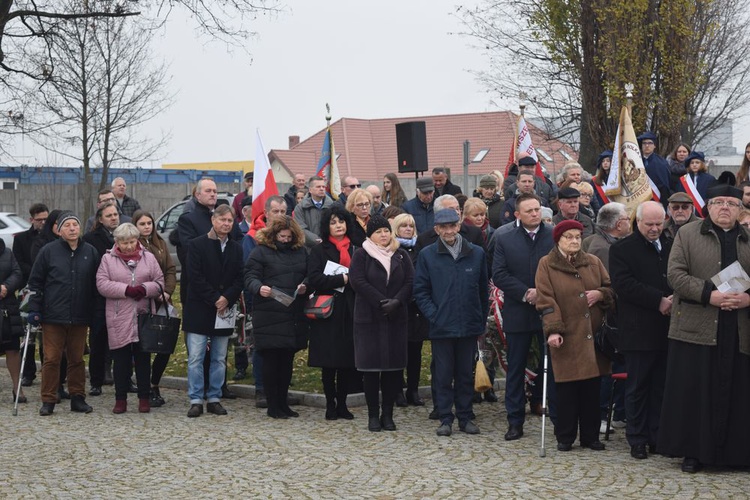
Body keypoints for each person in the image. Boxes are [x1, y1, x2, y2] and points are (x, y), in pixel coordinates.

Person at [659, 185, 750, 473]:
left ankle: (740, 454)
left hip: (739, 328)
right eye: (719, 202)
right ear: (708, 206)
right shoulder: (687, 234)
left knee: (738, 392)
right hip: (697, 325)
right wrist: (708, 294)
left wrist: (748, 297)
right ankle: (693, 453)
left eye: (732, 203)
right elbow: (675, 274)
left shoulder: (748, 238)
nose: (725, 207)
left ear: (740, 209)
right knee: (695, 392)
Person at [535, 219, 615, 452]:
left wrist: (600, 294)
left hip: (593, 335)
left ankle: (590, 437)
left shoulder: (593, 261)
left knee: (592, 388)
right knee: (567, 389)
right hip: (566, 334)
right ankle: (565, 436)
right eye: (568, 237)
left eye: (577, 237)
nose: (574, 241)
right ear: (558, 239)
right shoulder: (547, 264)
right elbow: (546, 300)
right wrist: (553, 330)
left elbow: (610, 288)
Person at [414, 209, 488, 437]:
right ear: (436, 229)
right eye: (443, 227)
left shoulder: (476, 253)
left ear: (458, 226)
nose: (448, 231)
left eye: (452, 226)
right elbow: (420, 291)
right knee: (443, 375)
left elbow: (483, 290)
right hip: (441, 326)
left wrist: (480, 318)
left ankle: (465, 417)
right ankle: (445, 417)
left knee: (465, 374)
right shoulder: (427, 255)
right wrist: (435, 316)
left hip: (468, 325)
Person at [609, 201, 673, 460]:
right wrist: (659, 300)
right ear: (638, 222)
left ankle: (656, 436)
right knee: (637, 387)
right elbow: (624, 285)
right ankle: (637, 438)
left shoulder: (670, 245)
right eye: (650, 224)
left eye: (659, 224)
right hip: (638, 330)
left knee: (661, 386)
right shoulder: (622, 249)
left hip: (667, 329)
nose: (655, 229)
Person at [493, 193, 557, 440]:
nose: (534, 213)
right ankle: (515, 420)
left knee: (551, 365)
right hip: (518, 310)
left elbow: (564, 268)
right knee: (516, 367)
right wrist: (525, 293)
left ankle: (557, 416)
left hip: (549, 309)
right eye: (529, 210)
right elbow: (499, 273)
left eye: (537, 209)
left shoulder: (553, 235)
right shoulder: (504, 238)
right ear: (517, 215)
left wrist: (543, 292)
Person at [27, 213, 99, 416]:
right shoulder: (48, 251)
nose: (72, 228)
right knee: (52, 359)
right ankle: (48, 399)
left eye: (75, 224)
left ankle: (78, 397)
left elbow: (96, 284)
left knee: (76, 358)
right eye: (67, 225)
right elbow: (36, 282)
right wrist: (34, 308)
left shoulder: (90, 252)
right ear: (59, 230)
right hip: (53, 315)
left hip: (80, 315)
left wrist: (96, 311)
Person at [349, 215, 413, 432]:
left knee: (393, 369)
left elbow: (410, 281)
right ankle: (373, 415)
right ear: (371, 235)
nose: (384, 235)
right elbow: (357, 281)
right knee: (371, 369)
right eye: (379, 232)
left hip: (396, 317)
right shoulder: (361, 255)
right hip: (369, 318)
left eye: (386, 230)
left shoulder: (401, 255)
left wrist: (396, 301)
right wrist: (380, 301)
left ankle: (388, 414)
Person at [96, 223, 164, 414]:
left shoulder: (148, 257)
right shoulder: (107, 259)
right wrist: (126, 290)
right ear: (117, 242)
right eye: (124, 242)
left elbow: (159, 282)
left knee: (143, 360)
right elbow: (102, 284)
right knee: (121, 361)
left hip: (143, 317)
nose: (128, 246)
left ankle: (144, 397)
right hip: (119, 316)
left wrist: (144, 289)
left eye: (132, 242)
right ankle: (120, 399)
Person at [183, 205, 244, 418]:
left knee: (219, 357)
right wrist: (214, 298)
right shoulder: (197, 245)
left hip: (224, 309)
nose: (226, 224)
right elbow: (194, 276)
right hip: (200, 307)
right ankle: (196, 399)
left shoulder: (236, 248)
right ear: (213, 220)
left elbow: (239, 278)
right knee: (196, 357)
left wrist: (227, 297)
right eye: (222, 220)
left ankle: (215, 397)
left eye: (230, 220)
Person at [245, 216, 308, 419]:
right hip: (269, 312)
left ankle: (283, 402)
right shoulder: (260, 252)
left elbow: (309, 273)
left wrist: (305, 285)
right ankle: (273, 405)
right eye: (282, 236)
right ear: (274, 235)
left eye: (289, 236)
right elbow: (249, 276)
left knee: (287, 361)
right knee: (272, 361)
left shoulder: (300, 252)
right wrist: (258, 287)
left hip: (292, 312)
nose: (285, 240)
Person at [580, 202, 631, 432]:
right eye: (628, 219)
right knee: (607, 368)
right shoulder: (603, 248)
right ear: (619, 224)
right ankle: (602, 415)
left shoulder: (603, 242)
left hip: (611, 316)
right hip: (606, 317)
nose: (630, 223)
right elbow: (609, 284)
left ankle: (617, 412)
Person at [307, 206, 357, 420]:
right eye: (334, 222)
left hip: (349, 310)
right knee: (329, 361)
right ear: (327, 226)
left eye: (342, 221)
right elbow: (315, 279)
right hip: (327, 312)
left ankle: (343, 404)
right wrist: (342, 279)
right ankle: (330, 403)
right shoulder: (319, 250)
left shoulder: (355, 249)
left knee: (346, 360)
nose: (338, 226)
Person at [132, 210, 177, 408]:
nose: (147, 227)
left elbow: (170, 269)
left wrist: (166, 291)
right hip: (143, 302)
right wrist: (152, 290)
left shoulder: (160, 243)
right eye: (142, 224)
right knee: (145, 346)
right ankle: (145, 387)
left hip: (162, 301)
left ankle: (155, 382)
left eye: (149, 223)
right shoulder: (132, 245)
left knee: (164, 345)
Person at [82, 202, 122, 397]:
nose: (114, 218)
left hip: (122, 297)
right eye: (109, 215)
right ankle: (96, 381)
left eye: (115, 214)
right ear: (100, 219)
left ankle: (124, 378)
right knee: (98, 340)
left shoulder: (125, 236)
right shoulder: (90, 239)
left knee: (124, 340)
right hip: (99, 296)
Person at [391, 213, 427, 406]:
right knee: (399, 351)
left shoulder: (420, 249)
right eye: (404, 225)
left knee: (416, 351)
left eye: (411, 226)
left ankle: (413, 389)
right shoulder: (391, 251)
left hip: (416, 307)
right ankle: (397, 390)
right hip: (398, 306)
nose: (408, 229)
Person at [14, 202, 48, 387]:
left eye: (45, 219)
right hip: (28, 288)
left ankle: (47, 370)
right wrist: (37, 271)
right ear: (31, 219)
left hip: (48, 290)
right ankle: (28, 373)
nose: (43, 223)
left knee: (46, 336)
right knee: (28, 335)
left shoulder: (53, 238)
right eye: (39, 220)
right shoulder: (21, 239)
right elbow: (19, 263)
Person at [0, 236, 26, 404]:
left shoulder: (7, 252)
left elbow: (18, 273)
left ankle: (17, 387)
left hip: (7, 308)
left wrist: (6, 287)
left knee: (12, 349)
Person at [294, 176, 335, 247]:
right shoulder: (300, 207)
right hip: (308, 247)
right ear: (310, 190)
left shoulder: (332, 206)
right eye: (318, 187)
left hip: (329, 246)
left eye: (323, 187)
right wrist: (317, 240)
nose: (322, 189)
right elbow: (300, 228)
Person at [637, 132, 672, 207]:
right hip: (639, 202)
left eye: (650, 143)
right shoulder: (636, 162)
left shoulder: (662, 163)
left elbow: (665, 187)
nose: (647, 145)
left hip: (657, 202)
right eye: (644, 143)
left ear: (654, 146)